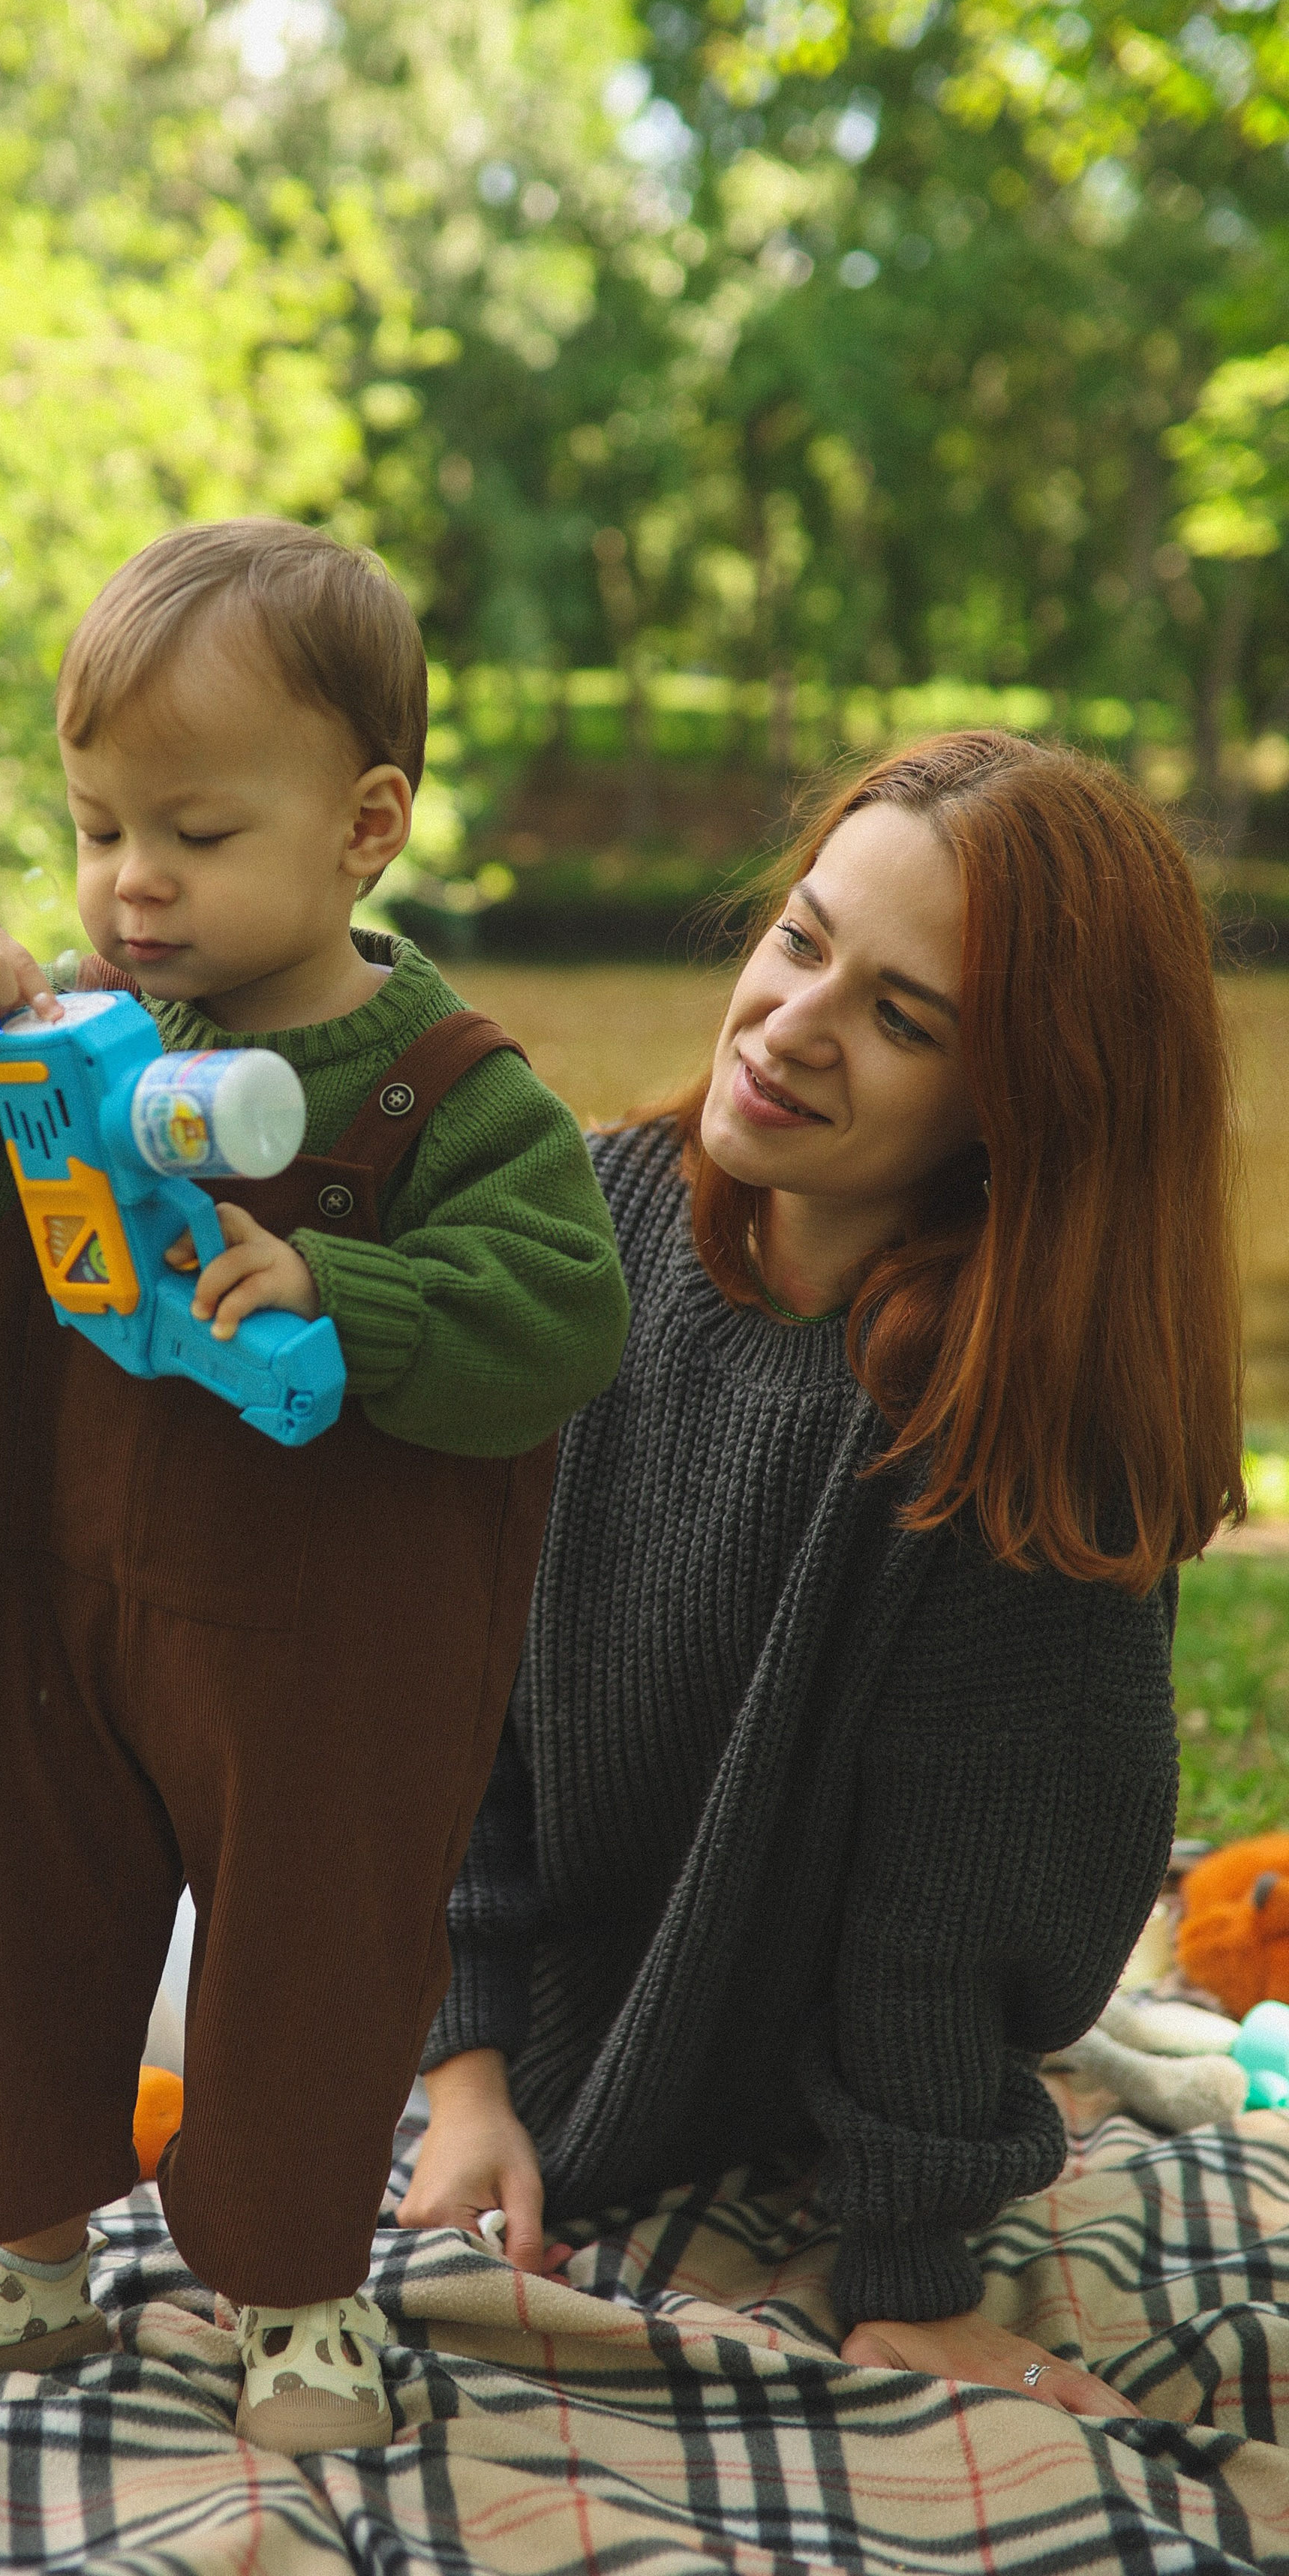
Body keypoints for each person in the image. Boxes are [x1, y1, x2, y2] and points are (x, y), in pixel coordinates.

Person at [0, 518, 629, 2449]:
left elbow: (568, 1322)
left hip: (336, 1639)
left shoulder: (454, 1093)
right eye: (93, 828)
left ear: (363, 825)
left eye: (194, 834)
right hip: (57, 1580)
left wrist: (350, 1280)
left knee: (316, 1945)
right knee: (24, 1901)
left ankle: (294, 2284)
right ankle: (16, 2244)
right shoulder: (62, 1050)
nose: (128, 883)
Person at [401, 728, 1243, 2419]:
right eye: (800, 940)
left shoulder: (1008, 1432)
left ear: (1025, 1095)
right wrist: (459, 2068)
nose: (790, 1024)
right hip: (449, 1972)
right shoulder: (583, 1236)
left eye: (901, 1016)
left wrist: (911, 2277)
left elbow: (961, 1897)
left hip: (742, 2077)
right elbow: (429, 1694)